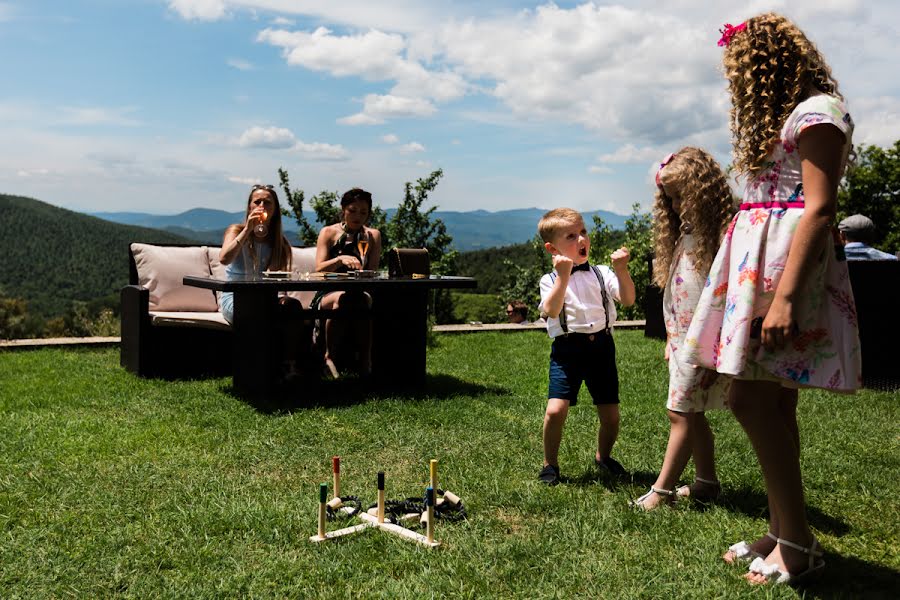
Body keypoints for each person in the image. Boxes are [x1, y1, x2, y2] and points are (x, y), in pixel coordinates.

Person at [682, 14, 861, 584]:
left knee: (749, 400)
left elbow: (819, 207)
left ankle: (799, 543)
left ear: (764, 65)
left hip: (781, 274)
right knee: (776, 404)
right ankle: (783, 529)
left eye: (741, 73)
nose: (738, 86)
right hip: (756, 267)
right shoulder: (790, 118)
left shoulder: (817, 113)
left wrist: (782, 300)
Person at [632, 148, 735, 510]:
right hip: (682, 339)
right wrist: (670, 340)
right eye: (670, 200)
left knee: (681, 412)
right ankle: (706, 481)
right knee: (692, 410)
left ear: (703, 192)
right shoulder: (686, 234)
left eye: (681, 197)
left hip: (704, 339)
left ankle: (661, 491)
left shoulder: (722, 235)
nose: (676, 207)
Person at [536, 208, 636, 486]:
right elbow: (552, 310)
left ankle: (603, 456)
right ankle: (550, 464)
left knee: (611, 415)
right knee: (556, 410)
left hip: (602, 347)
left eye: (583, 232)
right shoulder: (550, 280)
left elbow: (627, 299)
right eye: (571, 236)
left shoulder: (602, 273)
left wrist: (622, 270)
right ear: (552, 248)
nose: (581, 239)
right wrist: (564, 276)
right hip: (568, 351)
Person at [219, 184, 305, 378]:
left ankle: (289, 366)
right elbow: (224, 258)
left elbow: (275, 279)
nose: (262, 205)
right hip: (236, 297)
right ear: (249, 207)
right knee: (257, 311)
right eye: (257, 202)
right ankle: (259, 369)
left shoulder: (279, 243)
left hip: (265, 297)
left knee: (292, 306)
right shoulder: (235, 230)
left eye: (267, 202)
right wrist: (248, 230)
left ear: (275, 210)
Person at [314, 188, 383, 378]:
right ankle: (329, 359)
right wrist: (339, 260)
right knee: (344, 299)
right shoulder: (328, 232)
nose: (357, 216)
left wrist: (363, 273)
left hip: (361, 291)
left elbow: (373, 272)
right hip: (329, 292)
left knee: (358, 299)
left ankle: (365, 360)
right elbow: (318, 270)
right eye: (353, 210)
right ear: (343, 209)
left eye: (363, 212)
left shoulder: (373, 235)